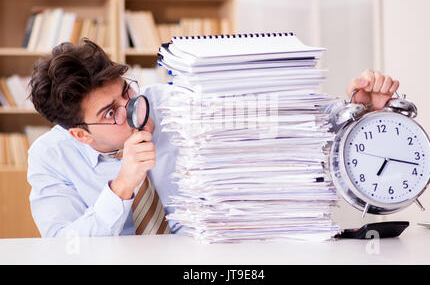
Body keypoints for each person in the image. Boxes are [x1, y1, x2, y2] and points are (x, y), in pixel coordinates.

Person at [27, 39, 400, 237]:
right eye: (110, 113)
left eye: (125, 92)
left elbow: (277, 122)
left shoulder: (173, 104)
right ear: (80, 133)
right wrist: (123, 185)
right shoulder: (50, 157)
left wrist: (359, 113)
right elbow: (64, 246)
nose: (133, 109)